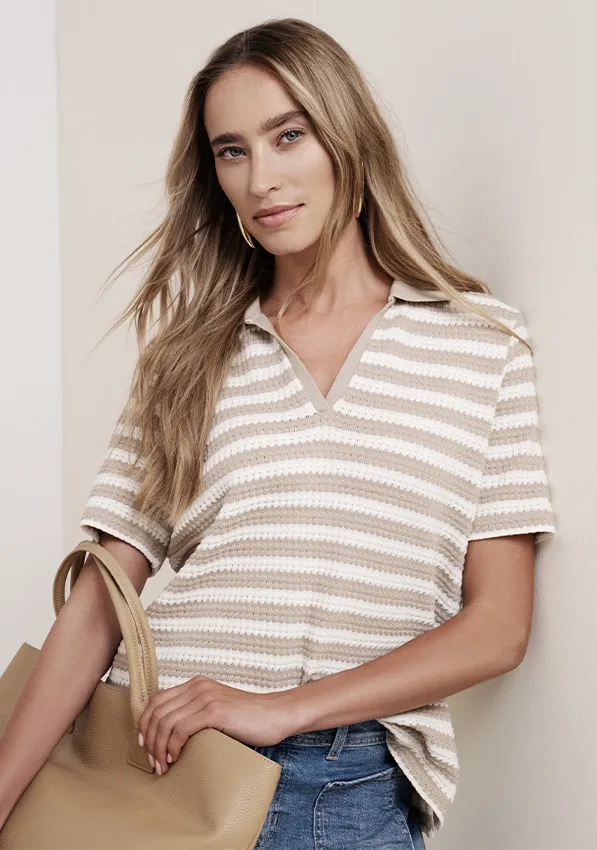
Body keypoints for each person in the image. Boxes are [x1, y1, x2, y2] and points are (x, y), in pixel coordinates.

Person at [0, 17, 556, 849]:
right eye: (231, 151)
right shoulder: (189, 356)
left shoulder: (481, 345)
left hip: (352, 790)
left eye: (287, 136)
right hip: (167, 772)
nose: (261, 178)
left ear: (346, 136)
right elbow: (100, 601)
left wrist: (282, 709)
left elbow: (498, 625)